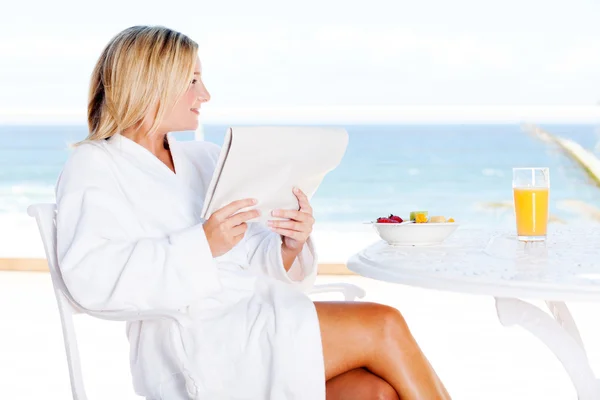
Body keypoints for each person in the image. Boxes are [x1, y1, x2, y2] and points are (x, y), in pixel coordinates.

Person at [55, 25, 451, 400]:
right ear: (151, 82)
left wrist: (288, 246)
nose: (205, 94)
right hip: (196, 345)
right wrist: (202, 245)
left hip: (256, 320)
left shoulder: (204, 158)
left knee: (375, 392)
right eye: (192, 80)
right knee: (383, 325)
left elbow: (249, 254)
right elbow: (90, 282)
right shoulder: (95, 165)